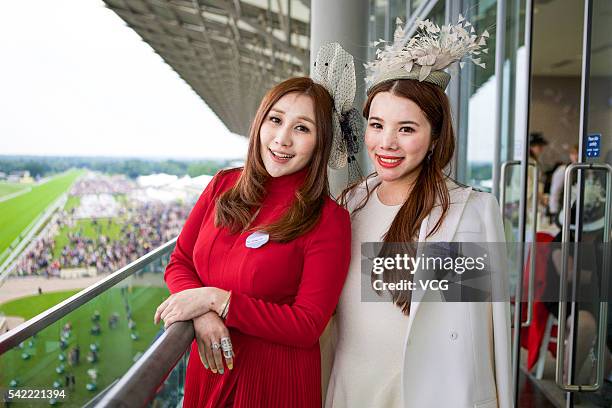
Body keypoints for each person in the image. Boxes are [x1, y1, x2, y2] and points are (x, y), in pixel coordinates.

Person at [155, 43, 356, 407]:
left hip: (274, 383)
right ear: (260, 122)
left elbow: (308, 324)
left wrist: (218, 300)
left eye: (302, 128)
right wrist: (203, 313)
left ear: (320, 142)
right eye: (275, 120)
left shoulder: (328, 219)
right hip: (210, 371)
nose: (282, 139)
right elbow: (180, 262)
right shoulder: (222, 185)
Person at [325, 18, 512, 408]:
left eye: (406, 129)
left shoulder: (467, 212)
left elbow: (477, 331)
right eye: (377, 125)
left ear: (435, 137)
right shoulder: (349, 204)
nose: (386, 143)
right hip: (351, 390)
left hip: (428, 395)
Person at [548, 144, 578, 223]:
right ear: (570, 155)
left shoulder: (586, 170)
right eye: (573, 153)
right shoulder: (563, 170)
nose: (576, 156)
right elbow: (555, 191)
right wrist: (554, 212)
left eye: (578, 153)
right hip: (563, 209)